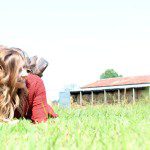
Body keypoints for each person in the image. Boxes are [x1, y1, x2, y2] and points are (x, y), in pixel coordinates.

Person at [0, 47, 58, 123]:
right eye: (19, 70)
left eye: (24, 68)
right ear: (7, 74)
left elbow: (40, 120)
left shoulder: (35, 83)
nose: (25, 74)